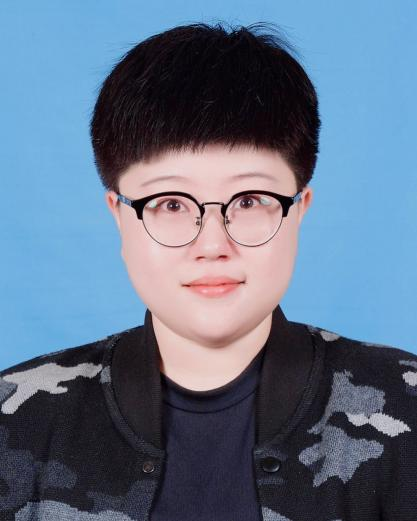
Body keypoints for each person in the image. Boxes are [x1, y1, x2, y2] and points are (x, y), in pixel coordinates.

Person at [0, 21, 416, 521]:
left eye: (249, 200)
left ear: (300, 208)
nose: (213, 244)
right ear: (119, 215)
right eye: (171, 204)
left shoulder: (406, 407)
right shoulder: (15, 419)